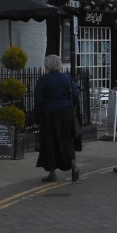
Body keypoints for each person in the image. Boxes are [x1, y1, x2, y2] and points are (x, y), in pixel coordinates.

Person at [33, 54, 80, 183]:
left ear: (47, 66)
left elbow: (38, 102)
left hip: (49, 115)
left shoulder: (43, 80)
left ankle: (52, 173)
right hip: (65, 112)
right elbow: (75, 96)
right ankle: (74, 165)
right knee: (66, 139)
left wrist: (36, 120)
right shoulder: (67, 78)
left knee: (49, 142)